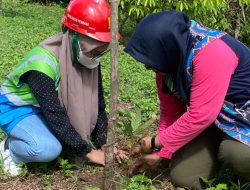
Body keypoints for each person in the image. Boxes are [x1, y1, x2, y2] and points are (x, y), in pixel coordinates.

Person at [124, 10, 250, 189]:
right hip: (218, 120)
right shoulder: (167, 66)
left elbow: (201, 115)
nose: (146, 66)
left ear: (168, 47)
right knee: (184, 176)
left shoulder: (212, 51)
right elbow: (170, 114)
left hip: (244, 117)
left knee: (234, 155)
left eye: (148, 59)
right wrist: (161, 152)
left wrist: (154, 141)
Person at [0, 0, 127, 177]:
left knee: (64, 142)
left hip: (44, 108)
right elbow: (55, 114)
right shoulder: (42, 65)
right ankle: (9, 148)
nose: (96, 56)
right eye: (93, 50)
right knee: (46, 149)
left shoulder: (87, 57)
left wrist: (103, 143)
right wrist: (87, 152)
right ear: (76, 37)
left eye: (100, 52)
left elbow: (98, 103)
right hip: (17, 109)